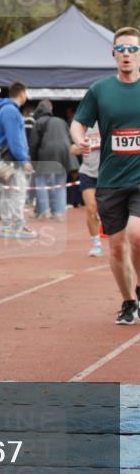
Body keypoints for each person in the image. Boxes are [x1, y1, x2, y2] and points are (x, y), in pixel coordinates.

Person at [71, 26, 140, 325]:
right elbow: (78, 123)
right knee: (116, 246)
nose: (127, 55)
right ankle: (128, 302)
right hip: (110, 179)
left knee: (137, 237)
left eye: (133, 49)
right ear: (113, 54)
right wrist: (79, 139)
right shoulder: (100, 90)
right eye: (122, 49)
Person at [0, 82, 37, 240]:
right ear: (22, 94)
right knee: (18, 191)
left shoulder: (5, 110)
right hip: (12, 159)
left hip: (5, 157)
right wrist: (23, 159)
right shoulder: (11, 111)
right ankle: (17, 225)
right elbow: (15, 138)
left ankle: (7, 226)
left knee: (8, 192)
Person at [29, 99, 74, 221]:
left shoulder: (38, 122)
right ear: (51, 108)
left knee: (41, 181)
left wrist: (34, 162)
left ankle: (45, 211)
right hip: (64, 155)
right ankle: (59, 213)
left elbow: (33, 144)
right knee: (60, 184)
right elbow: (70, 139)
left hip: (46, 154)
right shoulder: (61, 121)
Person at [70, 122, 103, 257]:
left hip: (108, 174)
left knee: (110, 211)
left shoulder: (112, 120)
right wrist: (77, 147)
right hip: (88, 172)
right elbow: (72, 148)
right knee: (91, 208)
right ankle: (96, 244)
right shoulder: (84, 124)